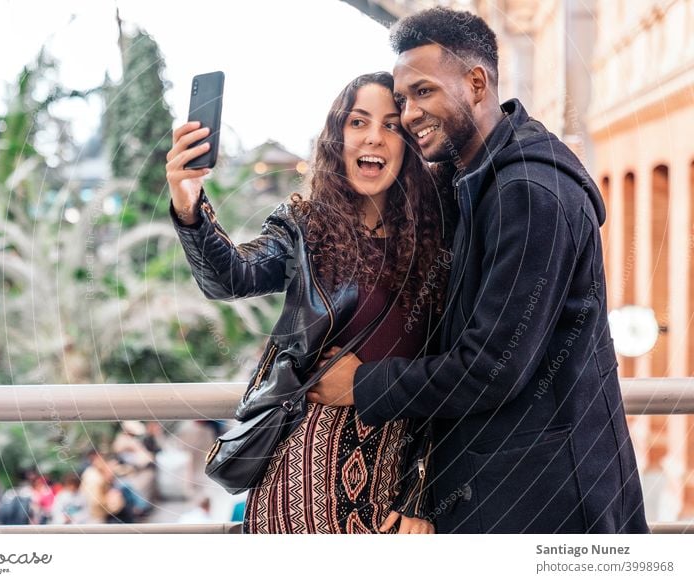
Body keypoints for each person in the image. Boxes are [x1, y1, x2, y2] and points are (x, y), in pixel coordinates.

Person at [307, 8, 649, 534]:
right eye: (401, 99)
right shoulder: (476, 182)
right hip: (507, 489)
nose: (408, 113)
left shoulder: (530, 194)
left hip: (551, 507)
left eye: (423, 91)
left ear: (475, 82)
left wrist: (363, 383)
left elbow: (492, 364)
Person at [168, 72, 456, 533]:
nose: (374, 138)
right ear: (337, 138)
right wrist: (189, 204)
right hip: (302, 468)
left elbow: (451, 370)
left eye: (391, 125)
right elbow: (231, 277)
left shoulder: (440, 235)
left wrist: (422, 493)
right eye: (358, 122)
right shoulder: (305, 225)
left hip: (395, 471)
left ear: (408, 144)